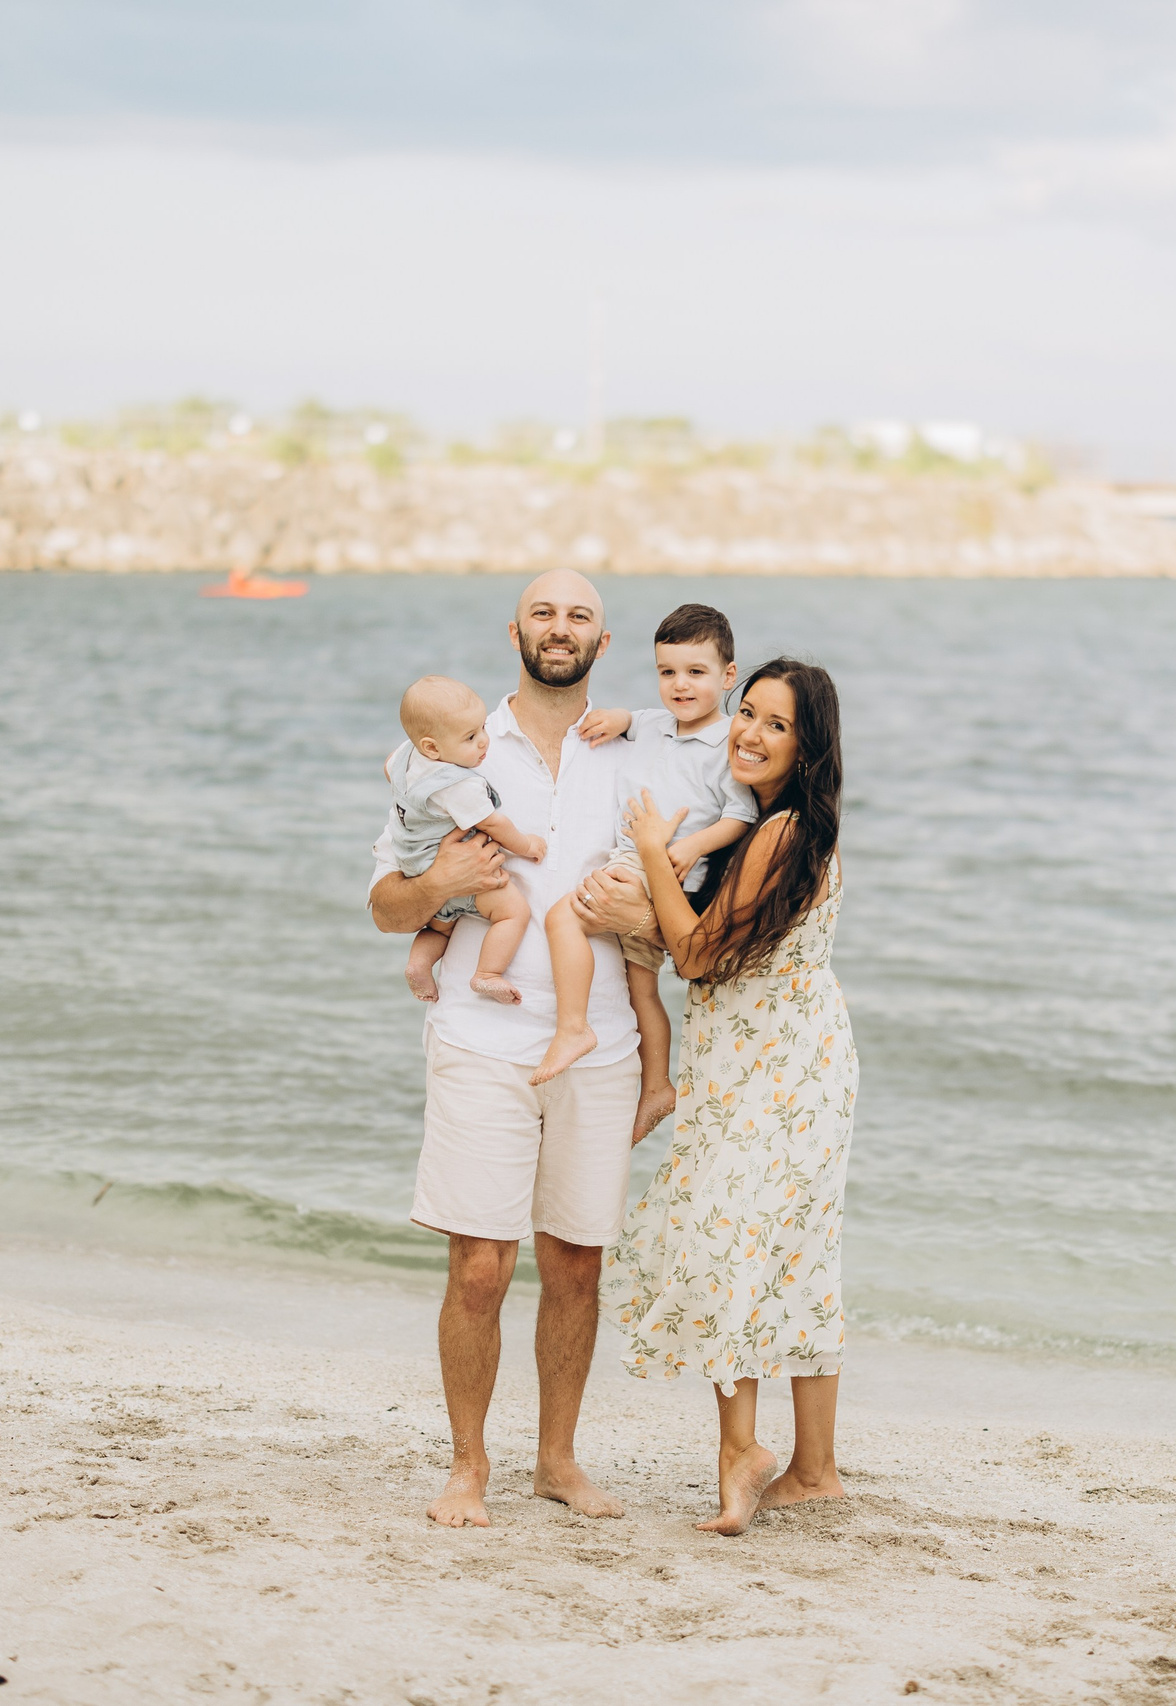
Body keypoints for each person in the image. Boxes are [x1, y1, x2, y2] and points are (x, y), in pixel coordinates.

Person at [364, 570, 664, 1529]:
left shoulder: (638, 751)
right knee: (480, 1266)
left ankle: (558, 1461)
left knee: (576, 1265)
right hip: (479, 1036)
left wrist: (646, 917)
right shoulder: (454, 748)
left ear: (602, 643)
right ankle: (467, 1468)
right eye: (543, 612)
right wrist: (440, 881)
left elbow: (678, 896)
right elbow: (385, 906)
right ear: (515, 633)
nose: (559, 628)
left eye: (579, 616)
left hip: (601, 1044)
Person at [588, 657, 857, 1537]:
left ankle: (742, 1455)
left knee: (723, 1241)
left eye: (778, 725)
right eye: (748, 714)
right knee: (793, 1254)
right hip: (779, 1059)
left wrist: (649, 850)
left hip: (775, 1070)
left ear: (807, 747)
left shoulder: (780, 835)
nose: (750, 733)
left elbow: (700, 957)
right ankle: (813, 1470)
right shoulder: (773, 829)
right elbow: (723, 952)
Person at [531, 603, 757, 1087]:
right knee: (641, 989)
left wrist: (693, 846)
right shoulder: (655, 722)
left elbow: (741, 815)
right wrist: (616, 718)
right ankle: (657, 1085)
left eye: (696, 672)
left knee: (560, 918)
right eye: (667, 672)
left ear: (727, 676)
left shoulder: (726, 743)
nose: (680, 685)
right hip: (641, 864)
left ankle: (573, 1027)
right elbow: (634, 721)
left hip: (660, 868)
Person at [388, 675, 548, 1004]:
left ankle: (419, 964)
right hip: (459, 873)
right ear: (432, 748)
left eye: (483, 728)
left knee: (439, 928)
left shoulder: (406, 755)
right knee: (514, 913)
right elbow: (493, 823)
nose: (484, 742)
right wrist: (527, 845)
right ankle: (487, 974)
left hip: (414, 865)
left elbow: (388, 769)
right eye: (471, 737)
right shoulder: (459, 785)